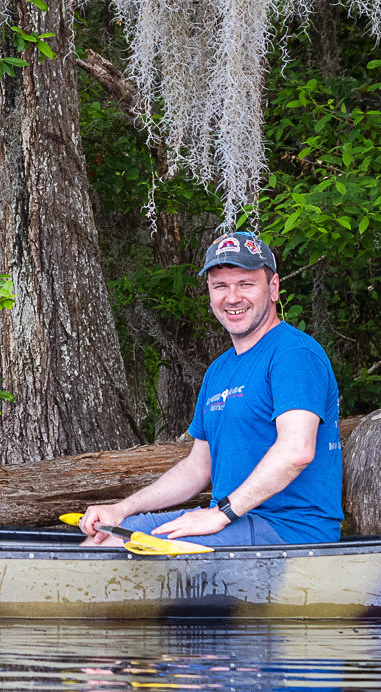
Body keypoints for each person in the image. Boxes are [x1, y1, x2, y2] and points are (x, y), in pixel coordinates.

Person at [78, 230, 342, 547]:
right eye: (220, 286)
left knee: (120, 548)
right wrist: (121, 509)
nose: (232, 297)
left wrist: (220, 515)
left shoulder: (294, 355)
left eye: (245, 284)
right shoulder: (219, 371)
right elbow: (198, 467)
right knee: (106, 538)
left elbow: (296, 451)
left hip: (290, 531)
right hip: (235, 522)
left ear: (273, 288)